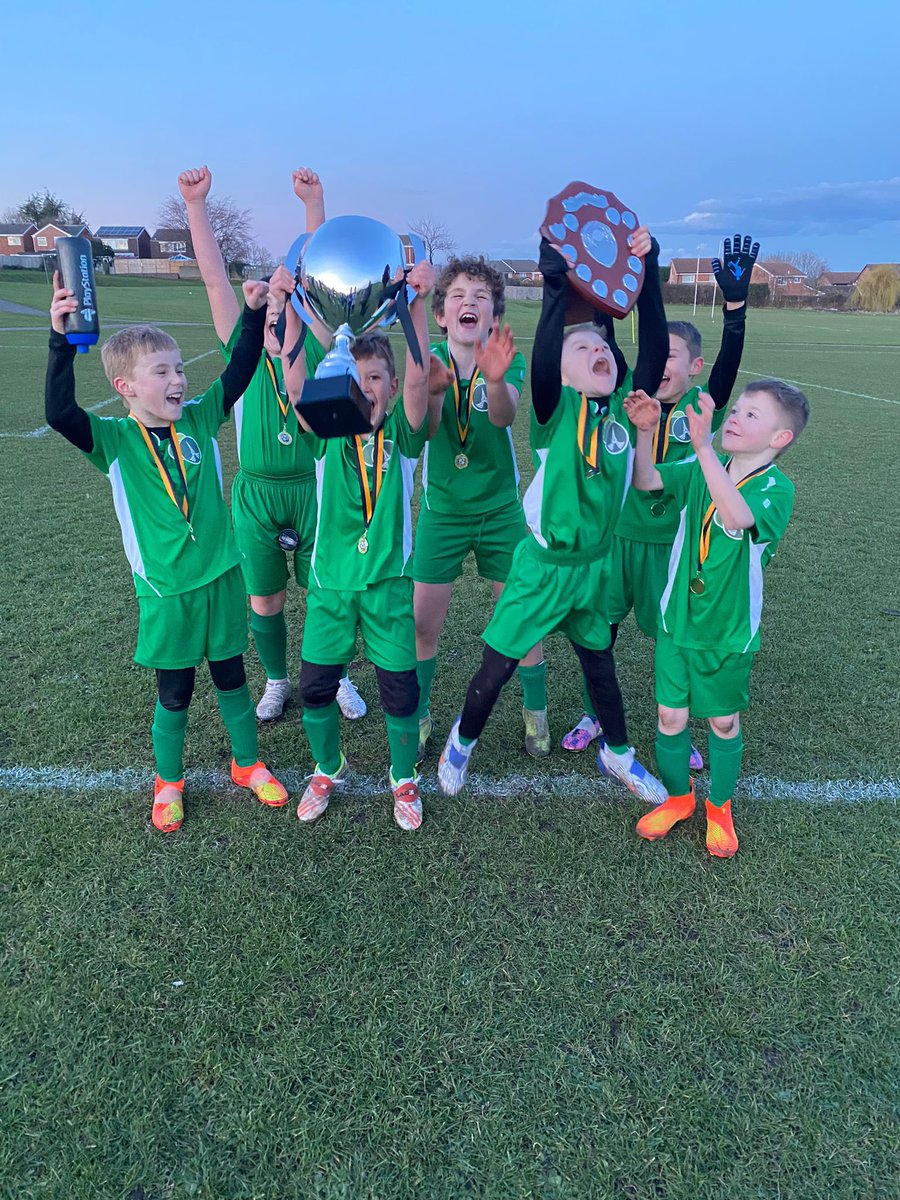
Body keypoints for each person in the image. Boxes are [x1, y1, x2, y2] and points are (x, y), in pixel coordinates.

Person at [45, 272, 289, 832]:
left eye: (179, 369)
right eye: (163, 372)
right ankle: (168, 782)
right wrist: (61, 341)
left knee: (232, 676)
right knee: (175, 691)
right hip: (166, 590)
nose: (178, 380)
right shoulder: (114, 440)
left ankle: (247, 763)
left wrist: (252, 314)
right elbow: (60, 413)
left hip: (222, 576)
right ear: (125, 386)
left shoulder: (201, 417)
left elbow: (242, 368)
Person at [438, 229, 669, 804]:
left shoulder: (627, 412)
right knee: (496, 670)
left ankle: (618, 755)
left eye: (604, 350)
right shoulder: (553, 410)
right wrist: (552, 287)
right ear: (562, 373)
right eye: (582, 349)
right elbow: (544, 357)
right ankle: (461, 741)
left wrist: (653, 269)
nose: (599, 353)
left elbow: (656, 352)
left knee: (602, 670)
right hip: (542, 569)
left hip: (594, 567)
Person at [178, 164, 366, 723]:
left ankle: (335, 676)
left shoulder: (305, 348)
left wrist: (315, 202)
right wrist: (195, 207)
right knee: (266, 600)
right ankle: (279, 680)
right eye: (265, 315)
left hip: (312, 491)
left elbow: (320, 267)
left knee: (327, 594)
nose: (273, 324)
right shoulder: (243, 354)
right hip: (256, 494)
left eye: (284, 313)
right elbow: (215, 280)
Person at [562, 234, 759, 758]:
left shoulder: (703, 403)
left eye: (674, 356)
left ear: (693, 366)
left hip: (670, 547)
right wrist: (626, 269)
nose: (663, 363)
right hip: (616, 538)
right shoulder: (631, 392)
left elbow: (730, 359)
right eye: (659, 354)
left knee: (675, 640)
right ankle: (594, 714)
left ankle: (682, 729)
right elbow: (607, 328)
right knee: (598, 632)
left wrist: (734, 309)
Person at [624, 380, 808, 856]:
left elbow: (737, 516)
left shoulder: (776, 487)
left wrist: (704, 448)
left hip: (727, 632)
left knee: (723, 723)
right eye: (737, 410)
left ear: (779, 438)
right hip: (677, 620)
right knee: (670, 715)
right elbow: (645, 480)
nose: (735, 417)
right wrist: (646, 432)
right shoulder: (702, 466)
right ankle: (680, 799)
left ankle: (719, 808)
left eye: (751, 415)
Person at [281, 262, 434, 830]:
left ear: (390, 390)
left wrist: (417, 303)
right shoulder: (327, 435)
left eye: (376, 378)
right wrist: (293, 309)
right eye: (358, 376)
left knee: (399, 690)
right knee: (316, 686)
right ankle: (328, 766)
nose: (366, 387)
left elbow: (421, 379)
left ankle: (404, 779)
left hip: (390, 586)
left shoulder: (404, 435)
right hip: (330, 587)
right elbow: (295, 385)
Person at [414, 257, 548, 761]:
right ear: (443, 315)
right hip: (442, 512)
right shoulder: (428, 356)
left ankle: (535, 711)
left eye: (481, 295)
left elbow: (502, 415)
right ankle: (421, 712)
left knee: (521, 616)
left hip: (499, 511)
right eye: (458, 295)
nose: (469, 301)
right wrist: (429, 394)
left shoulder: (503, 355)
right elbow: (423, 433)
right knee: (422, 624)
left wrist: (493, 378)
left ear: (493, 314)